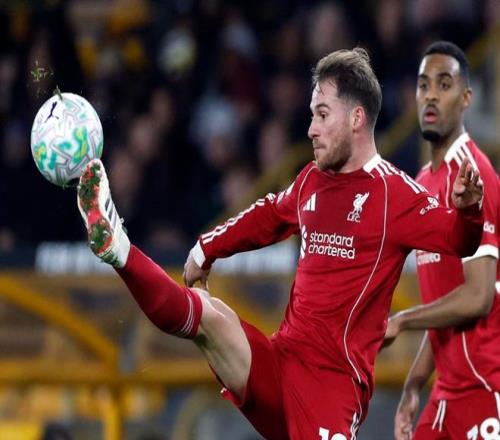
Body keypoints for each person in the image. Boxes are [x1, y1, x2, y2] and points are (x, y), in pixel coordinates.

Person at [77, 48, 484, 440]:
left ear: (356, 118)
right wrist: (206, 248)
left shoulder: (397, 195)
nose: (311, 129)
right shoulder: (311, 180)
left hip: (332, 390)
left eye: (322, 114)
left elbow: (458, 239)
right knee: (208, 315)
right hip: (280, 364)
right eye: (312, 115)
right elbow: (269, 216)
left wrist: (468, 211)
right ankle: (121, 251)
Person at [384, 41, 500, 440]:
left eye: (444, 84)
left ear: (466, 98)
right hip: (446, 393)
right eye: (423, 85)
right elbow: (444, 306)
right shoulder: (423, 183)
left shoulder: (474, 177)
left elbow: (478, 298)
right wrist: (414, 384)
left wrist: (402, 320)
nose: (431, 94)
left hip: (485, 386)